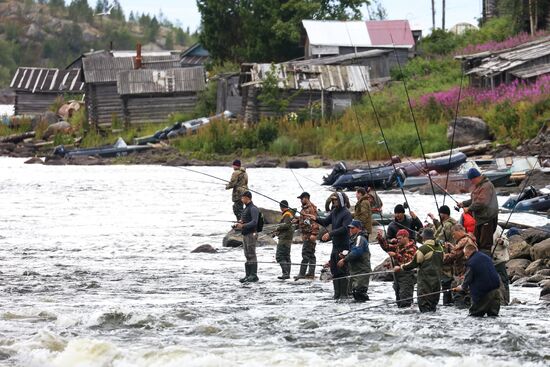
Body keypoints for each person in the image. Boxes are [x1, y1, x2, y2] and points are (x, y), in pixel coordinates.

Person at [306, 192, 353, 299]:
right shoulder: (334, 211)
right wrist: (315, 218)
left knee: (343, 271)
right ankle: (337, 295)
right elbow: (326, 222)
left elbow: (345, 228)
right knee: (335, 270)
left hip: (344, 246)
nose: (334, 202)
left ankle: (344, 295)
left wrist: (330, 234)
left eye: (335, 200)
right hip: (335, 246)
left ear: (341, 200)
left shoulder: (346, 214)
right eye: (332, 200)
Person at [395, 228, 444, 312]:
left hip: (425, 283)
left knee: (424, 306)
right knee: (433, 307)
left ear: (424, 237)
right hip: (437, 282)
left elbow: (413, 264)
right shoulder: (440, 248)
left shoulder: (423, 249)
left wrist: (401, 267)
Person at [458, 168, 498, 256]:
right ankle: (479, 259)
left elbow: (481, 202)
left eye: (472, 180)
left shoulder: (486, 186)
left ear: (476, 177)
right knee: (477, 241)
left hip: (487, 218)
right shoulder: (480, 186)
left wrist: (469, 209)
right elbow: (474, 200)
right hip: (480, 219)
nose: (471, 182)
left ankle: (486, 260)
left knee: (485, 244)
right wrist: (464, 204)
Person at [453, 243, 501, 317]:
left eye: (465, 255)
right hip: (496, 292)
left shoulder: (472, 262)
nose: (466, 257)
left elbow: (468, 278)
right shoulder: (486, 257)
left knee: (474, 316)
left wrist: (461, 287)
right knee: (493, 316)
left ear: (468, 252)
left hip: (483, 294)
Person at [377, 228, 417, 308]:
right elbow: (387, 247)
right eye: (397, 239)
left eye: (399, 239)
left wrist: (395, 255)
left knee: (405, 299)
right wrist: (380, 238)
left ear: (405, 237)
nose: (398, 240)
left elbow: (408, 261)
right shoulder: (399, 246)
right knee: (398, 298)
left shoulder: (413, 248)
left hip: (407, 275)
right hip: (397, 275)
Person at [429, 205, 457, 306]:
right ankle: (449, 301)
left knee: (446, 279)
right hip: (450, 253)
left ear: (444, 214)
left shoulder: (447, 225)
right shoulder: (448, 223)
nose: (439, 215)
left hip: (446, 254)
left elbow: (441, 238)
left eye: (440, 213)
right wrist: (434, 221)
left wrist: (428, 240)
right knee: (448, 278)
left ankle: (447, 302)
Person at [337, 219, 371, 302]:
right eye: (350, 228)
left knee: (359, 293)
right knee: (356, 293)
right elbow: (353, 252)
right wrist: (345, 255)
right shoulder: (353, 239)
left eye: (352, 228)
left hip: (361, 272)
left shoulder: (360, 238)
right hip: (355, 272)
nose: (350, 230)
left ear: (359, 229)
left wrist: (344, 260)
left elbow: (357, 252)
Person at [446, 224, 476, 308]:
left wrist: (444, 256)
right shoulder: (470, 239)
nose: (453, 236)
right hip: (468, 271)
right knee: (468, 293)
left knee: (459, 294)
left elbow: (455, 254)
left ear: (459, 231)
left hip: (463, 272)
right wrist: (453, 247)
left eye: (454, 233)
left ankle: (460, 311)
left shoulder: (464, 240)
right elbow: (460, 251)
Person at [234, 191, 260, 283]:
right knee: (247, 254)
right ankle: (248, 275)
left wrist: (243, 226)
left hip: (251, 234)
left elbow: (254, 222)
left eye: (243, 198)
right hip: (245, 234)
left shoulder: (253, 208)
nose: (242, 199)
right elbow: (245, 220)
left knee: (251, 254)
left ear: (247, 198)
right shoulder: (246, 209)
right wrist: (239, 223)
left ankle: (254, 275)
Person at [294, 192, 319, 280]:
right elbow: (305, 220)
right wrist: (297, 220)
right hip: (306, 234)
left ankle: (302, 273)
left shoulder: (311, 209)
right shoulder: (305, 208)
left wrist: (314, 234)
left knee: (305, 253)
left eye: (302, 198)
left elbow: (315, 221)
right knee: (311, 254)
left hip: (309, 235)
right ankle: (311, 273)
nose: (301, 200)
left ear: (306, 198)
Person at [275, 200, 294, 280]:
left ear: (281, 207)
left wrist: (278, 227)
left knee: (279, 256)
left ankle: (285, 273)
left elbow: (286, 225)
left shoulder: (287, 214)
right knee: (286, 256)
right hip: (288, 238)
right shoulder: (290, 214)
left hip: (284, 239)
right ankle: (287, 274)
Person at [492, 226, 510, 305]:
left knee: (504, 280)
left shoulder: (497, 229)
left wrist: (501, 242)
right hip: (489, 260)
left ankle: (506, 300)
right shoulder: (481, 227)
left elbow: (507, 243)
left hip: (499, 260)